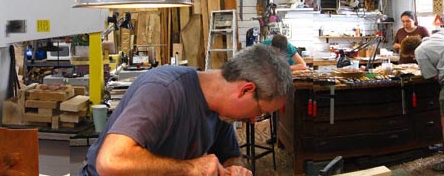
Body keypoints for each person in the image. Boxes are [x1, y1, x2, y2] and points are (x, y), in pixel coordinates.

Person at [82, 45, 294, 175]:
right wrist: (190, 168)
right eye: (259, 111)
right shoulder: (164, 91)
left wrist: (234, 169)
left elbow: (229, 156)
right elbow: (109, 162)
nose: (254, 120)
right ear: (246, 90)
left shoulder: (221, 112)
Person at [400, 31, 444, 172]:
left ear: (412, 51)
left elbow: (432, 76)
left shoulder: (420, 51)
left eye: (411, 56)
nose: (413, 58)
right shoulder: (436, 37)